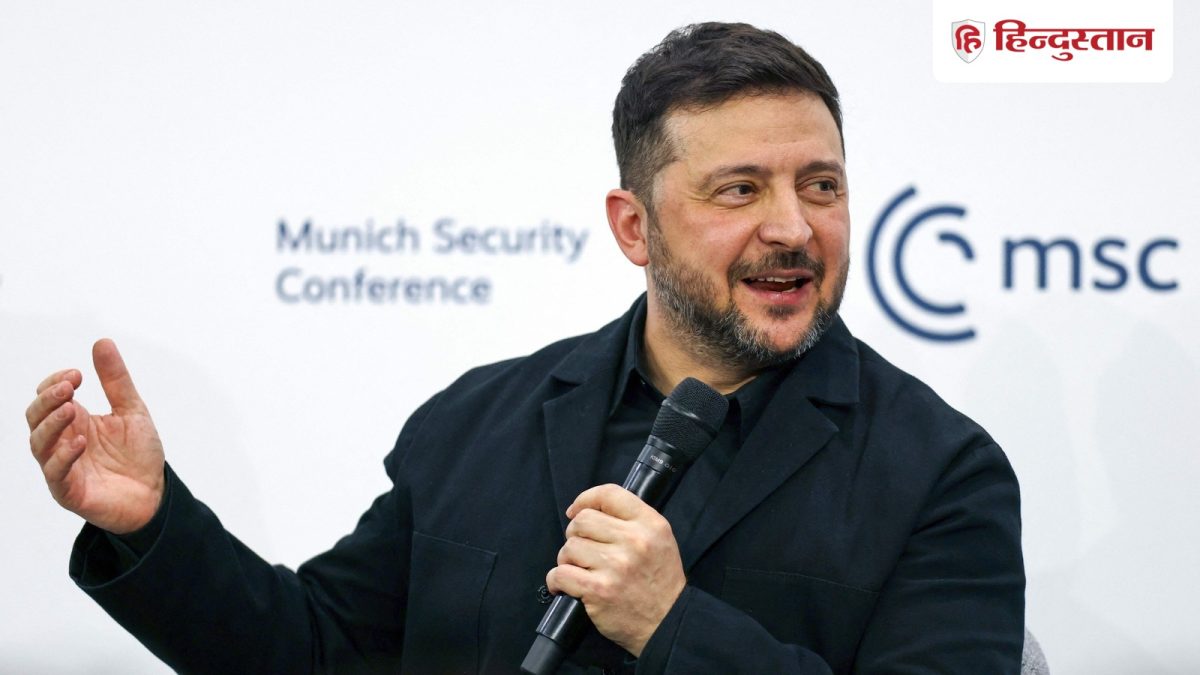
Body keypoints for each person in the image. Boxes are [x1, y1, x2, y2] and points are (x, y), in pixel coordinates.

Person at [24, 22, 1024, 674]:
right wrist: (152, 525)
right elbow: (320, 652)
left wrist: (672, 624)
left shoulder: (943, 473)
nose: (796, 228)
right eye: (740, 189)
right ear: (634, 227)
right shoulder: (477, 421)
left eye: (821, 185)